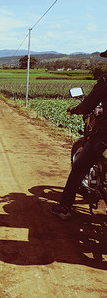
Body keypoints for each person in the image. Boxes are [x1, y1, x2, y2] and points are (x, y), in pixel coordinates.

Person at [51, 49, 107, 219]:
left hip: (105, 136)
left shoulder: (105, 80)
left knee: (78, 169)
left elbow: (88, 104)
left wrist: (75, 109)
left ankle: (65, 208)